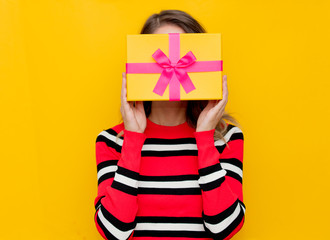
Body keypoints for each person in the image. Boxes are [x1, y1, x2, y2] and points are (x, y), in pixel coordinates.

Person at [93, 10, 246, 240]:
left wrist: (204, 138)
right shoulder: (111, 142)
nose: (173, 65)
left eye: (184, 54)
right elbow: (115, 232)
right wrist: (133, 140)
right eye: (161, 56)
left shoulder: (225, 138)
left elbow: (224, 228)